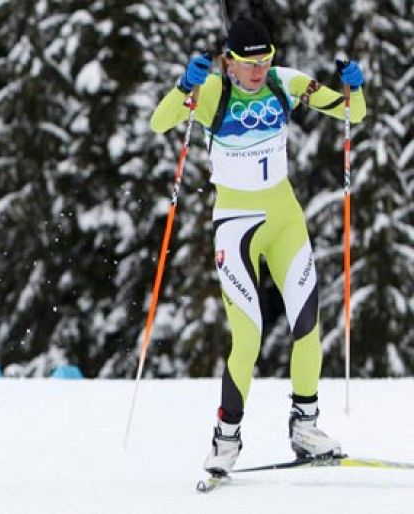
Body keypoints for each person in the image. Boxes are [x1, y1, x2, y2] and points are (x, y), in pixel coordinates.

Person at [149, 16, 366, 475]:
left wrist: (355, 87)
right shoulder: (212, 92)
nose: (258, 71)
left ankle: (305, 428)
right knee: (247, 337)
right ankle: (226, 438)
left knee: (307, 324)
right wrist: (182, 87)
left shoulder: (285, 83)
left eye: (265, 61)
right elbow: (159, 123)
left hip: (286, 221)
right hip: (235, 226)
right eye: (249, 64)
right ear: (228, 62)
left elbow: (353, 113)